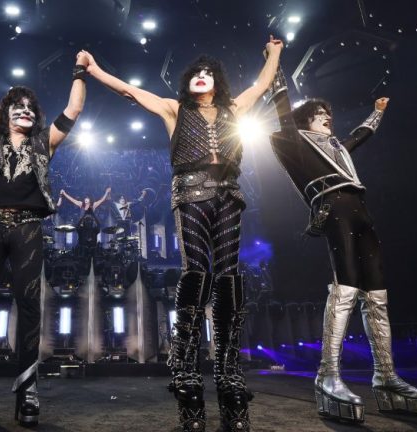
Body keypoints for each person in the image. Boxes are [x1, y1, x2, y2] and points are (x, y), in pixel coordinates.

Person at [82, 36, 283, 432]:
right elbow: (128, 90)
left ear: (217, 82)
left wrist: (274, 53)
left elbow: (261, 86)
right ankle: (187, 372)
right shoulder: (174, 109)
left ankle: (229, 374)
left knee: (228, 278)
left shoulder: (233, 107)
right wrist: (93, 70)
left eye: (209, 72)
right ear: (187, 82)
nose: (202, 76)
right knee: (197, 272)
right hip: (190, 193)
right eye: (196, 73)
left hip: (228, 195)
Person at [269, 83, 417, 422]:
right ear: (306, 121)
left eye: (328, 116)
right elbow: (285, 116)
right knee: (345, 287)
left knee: (377, 294)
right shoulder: (294, 142)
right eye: (320, 116)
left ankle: (386, 377)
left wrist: (377, 112)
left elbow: (361, 134)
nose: (327, 119)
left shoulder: (339, 148)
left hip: (360, 210)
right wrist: (276, 70)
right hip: (334, 209)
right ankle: (328, 374)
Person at [0, 38, 86, 427]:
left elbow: (73, 108)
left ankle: (27, 392)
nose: (24, 110)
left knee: (29, 309)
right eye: (17, 106)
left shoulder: (45, 142)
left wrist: (80, 70)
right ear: (4, 114)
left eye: (29, 108)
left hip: (27, 228)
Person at [59, 187, 111, 255]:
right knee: (81, 241)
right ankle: (81, 252)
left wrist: (106, 192)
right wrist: (64, 193)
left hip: (91, 227)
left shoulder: (93, 205)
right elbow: (72, 199)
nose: (85, 199)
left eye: (87, 198)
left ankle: (91, 252)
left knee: (91, 241)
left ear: (90, 199)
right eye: (85, 198)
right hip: (82, 227)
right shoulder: (81, 204)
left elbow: (102, 200)